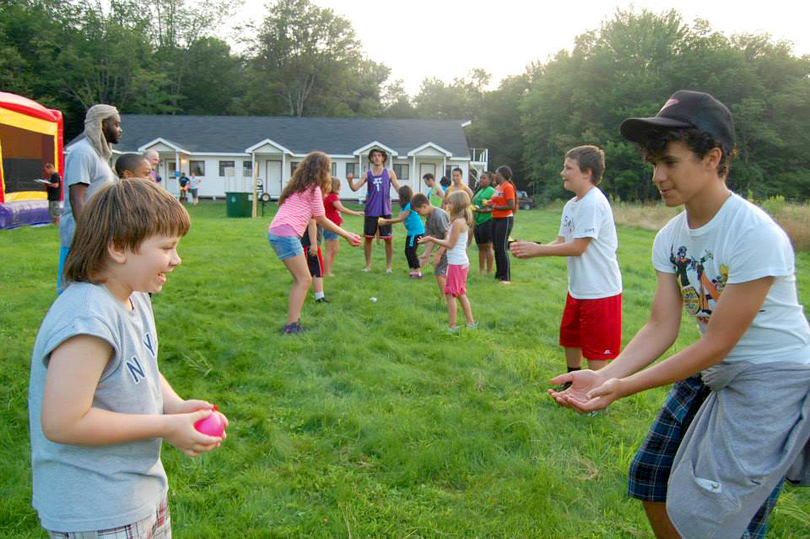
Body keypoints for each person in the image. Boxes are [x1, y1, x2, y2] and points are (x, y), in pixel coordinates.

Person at [549, 90, 810, 539]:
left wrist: (621, 387)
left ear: (712, 158)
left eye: (670, 162)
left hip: (774, 378)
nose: (657, 176)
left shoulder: (754, 234)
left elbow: (716, 342)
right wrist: (606, 374)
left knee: (727, 512)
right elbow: (660, 326)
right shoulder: (670, 237)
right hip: (718, 368)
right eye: (654, 163)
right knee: (651, 477)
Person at [28, 178, 226, 537]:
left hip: (138, 489)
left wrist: (174, 406)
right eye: (167, 247)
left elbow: (143, 366)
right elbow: (62, 423)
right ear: (119, 247)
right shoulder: (88, 319)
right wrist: (165, 427)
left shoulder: (135, 296)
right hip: (96, 507)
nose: (177, 260)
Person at [511, 145, 622, 378]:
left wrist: (538, 251)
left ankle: (596, 395)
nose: (563, 173)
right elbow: (562, 240)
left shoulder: (593, 202)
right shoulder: (572, 205)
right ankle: (572, 383)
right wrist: (532, 249)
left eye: (568, 168)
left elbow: (578, 247)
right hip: (579, 288)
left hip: (600, 290)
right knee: (571, 336)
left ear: (587, 172)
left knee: (595, 347)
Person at [267, 152, 362, 334]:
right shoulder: (314, 189)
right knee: (304, 279)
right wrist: (346, 234)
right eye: (327, 170)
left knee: (300, 279)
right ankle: (292, 326)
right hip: (286, 234)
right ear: (322, 171)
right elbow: (321, 219)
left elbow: (311, 218)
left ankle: (293, 323)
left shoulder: (296, 187)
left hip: (277, 232)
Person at [57, 104, 121, 294]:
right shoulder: (82, 152)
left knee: (94, 287)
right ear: (102, 124)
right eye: (116, 124)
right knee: (71, 288)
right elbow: (77, 198)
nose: (120, 129)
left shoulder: (99, 155)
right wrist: (88, 234)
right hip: (81, 236)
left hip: (99, 232)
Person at [419, 191, 476, 333]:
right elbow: (453, 244)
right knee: (461, 293)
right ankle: (471, 323)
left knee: (450, 295)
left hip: (456, 263)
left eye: (450, 202)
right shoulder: (458, 221)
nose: (447, 205)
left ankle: (452, 327)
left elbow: (450, 244)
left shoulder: (458, 223)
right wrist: (432, 251)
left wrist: (431, 239)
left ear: (457, 204)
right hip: (459, 261)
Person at [346, 148, 401, 273]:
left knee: (388, 239)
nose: (377, 158)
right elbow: (355, 188)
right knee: (368, 238)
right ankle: (368, 266)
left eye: (379, 155)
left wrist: (408, 196)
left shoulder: (390, 173)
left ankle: (388, 267)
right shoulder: (367, 174)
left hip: (385, 211)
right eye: (374, 156)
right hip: (371, 211)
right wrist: (350, 181)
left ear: (383, 158)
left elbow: (398, 188)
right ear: (371, 158)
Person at [380, 186, 425, 278]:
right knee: (407, 251)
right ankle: (412, 270)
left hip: (416, 232)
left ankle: (418, 271)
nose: (398, 196)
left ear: (403, 195)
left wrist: (386, 221)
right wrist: (390, 222)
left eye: (399, 194)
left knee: (411, 251)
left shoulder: (409, 205)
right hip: (411, 232)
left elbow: (400, 219)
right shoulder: (404, 206)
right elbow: (399, 217)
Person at [323, 177, 364, 277]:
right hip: (330, 226)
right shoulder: (332, 197)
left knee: (335, 250)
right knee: (329, 250)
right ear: (335, 186)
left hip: (334, 225)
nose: (340, 188)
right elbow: (341, 208)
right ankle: (326, 272)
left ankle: (328, 271)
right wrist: (355, 213)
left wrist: (340, 219)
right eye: (339, 185)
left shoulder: (328, 196)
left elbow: (333, 210)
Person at [411, 193, 450, 298]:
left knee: (440, 273)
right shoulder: (429, 217)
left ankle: (446, 298)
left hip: (451, 248)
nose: (419, 214)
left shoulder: (438, 215)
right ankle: (446, 297)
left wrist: (439, 254)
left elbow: (448, 236)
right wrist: (426, 253)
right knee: (439, 272)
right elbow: (432, 237)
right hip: (444, 247)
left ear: (424, 206)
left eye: (418, 211)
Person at [488, 165, 517, 283]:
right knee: (496, 247)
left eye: (496, 173)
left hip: (505, 219)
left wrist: (496, 207)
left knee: (502, 248)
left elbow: (511, 206)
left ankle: (506, 277)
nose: (495, 175)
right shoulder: (498, 187)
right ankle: (498, 274)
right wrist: (488, 203)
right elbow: (494, 200)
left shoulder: (508, 187)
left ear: (502, 175)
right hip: (495, 218)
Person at [471, 171, 496, 274]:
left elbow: (493, 207)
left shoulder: (491, 191)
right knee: (480, 246)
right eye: (480, 178)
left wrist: (479, 210)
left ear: (490, 180)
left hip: (487, 221)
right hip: (478, 222)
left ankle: (489, 270)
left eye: (484, 178)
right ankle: (481, 270)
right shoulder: (479, 190)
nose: (481, 180)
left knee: (488, 246)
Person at [300, 218, 328, 302]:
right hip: (309, 244)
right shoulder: (312, 205)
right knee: (317, 270)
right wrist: (313, 244)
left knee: (312, 270)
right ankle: (319, 297)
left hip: (308, 243)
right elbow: (312, 222)